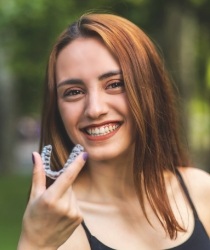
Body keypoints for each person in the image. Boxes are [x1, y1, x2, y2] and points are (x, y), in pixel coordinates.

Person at [17, 13, 210, 250]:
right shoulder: (61, 225)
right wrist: (35, 243)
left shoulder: (201, 190)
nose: (95, 109)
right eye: (74, 92)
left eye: (115, 84)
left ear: (151, 90)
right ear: (56, 110)